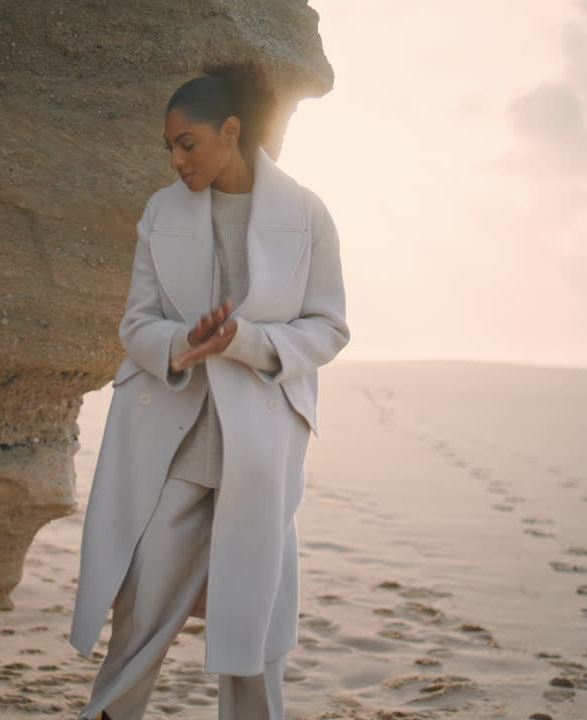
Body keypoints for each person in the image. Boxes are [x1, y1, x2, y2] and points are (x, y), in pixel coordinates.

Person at [69, 59, 349, 720]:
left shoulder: (306, 213)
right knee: (139, 616)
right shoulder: (161, 212)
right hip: (177, 451)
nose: (175, 160)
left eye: (186, 143)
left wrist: (242, 341)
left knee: (256, 636)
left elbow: (329, 328)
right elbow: (135, 324)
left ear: (231, 130)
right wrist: (182, 345)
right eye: (168, 146)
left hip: (260, 454)